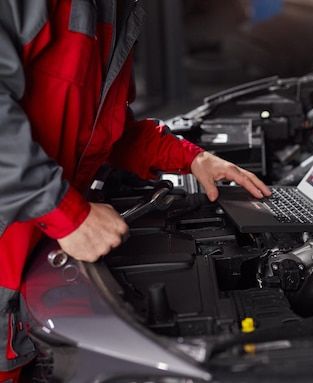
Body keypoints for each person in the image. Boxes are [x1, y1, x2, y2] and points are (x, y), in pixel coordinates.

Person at [0, 1, 271, 381]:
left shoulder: (116, 12)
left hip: (34, 261)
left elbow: (104, 131)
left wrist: (190, 157)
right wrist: (65, 213)